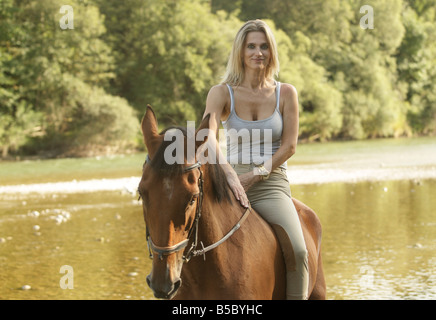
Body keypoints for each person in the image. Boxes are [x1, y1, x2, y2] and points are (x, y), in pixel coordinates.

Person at [201, 19, 309, 300]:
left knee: (298, 250)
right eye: (251, 46)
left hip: (270, 184)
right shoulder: (221, 93)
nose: (257, 52)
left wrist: (254, 175)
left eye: (263, 46)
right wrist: (228, 175)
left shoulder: (286, 93)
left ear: (271, 51)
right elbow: (209, 138)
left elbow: (289, 146)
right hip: (228, 183)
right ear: (240, 51)